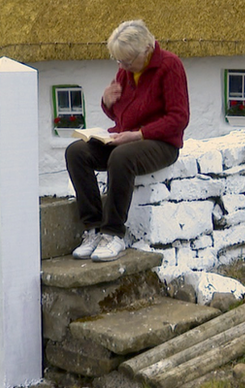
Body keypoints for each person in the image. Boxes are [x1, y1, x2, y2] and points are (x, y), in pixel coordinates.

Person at [66, 19, 190, 261]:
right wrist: (108, 102)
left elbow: (179, 117)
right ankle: (93, 228)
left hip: (162, 143)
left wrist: (139, 134)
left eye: (127, 61)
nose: (122, 66)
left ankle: (113, 234)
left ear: (146, 50)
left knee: (122, 157)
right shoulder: (127, 69)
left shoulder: (170, 66)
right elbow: (122, 114)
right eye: (119, 61)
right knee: (76, 152)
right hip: (126, 137)